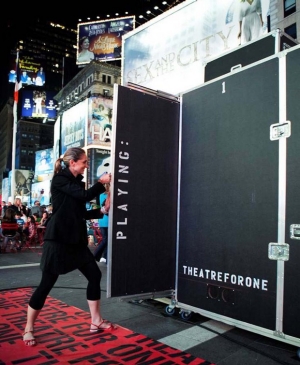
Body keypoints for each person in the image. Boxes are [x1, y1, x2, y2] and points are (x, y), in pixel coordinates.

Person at [23, 147, 113, 347]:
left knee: (94, 276)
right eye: (84, 162)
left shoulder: (74, 183)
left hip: (76, 240)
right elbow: (83, 196)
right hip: (58, 240)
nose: (86, 165)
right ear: (73, 163)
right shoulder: (60, 180)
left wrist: (103, 211)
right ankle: (29, 327)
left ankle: (96, 320)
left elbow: (80, 212)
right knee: (46, 284)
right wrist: (101, 183)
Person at [94, 183, 110, 263]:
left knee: (106, 240)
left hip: (102, 220)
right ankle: (96, 255)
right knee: (106, 240)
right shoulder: (110, 196)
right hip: (108, 220)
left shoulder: (100, 195)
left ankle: (105, 257)